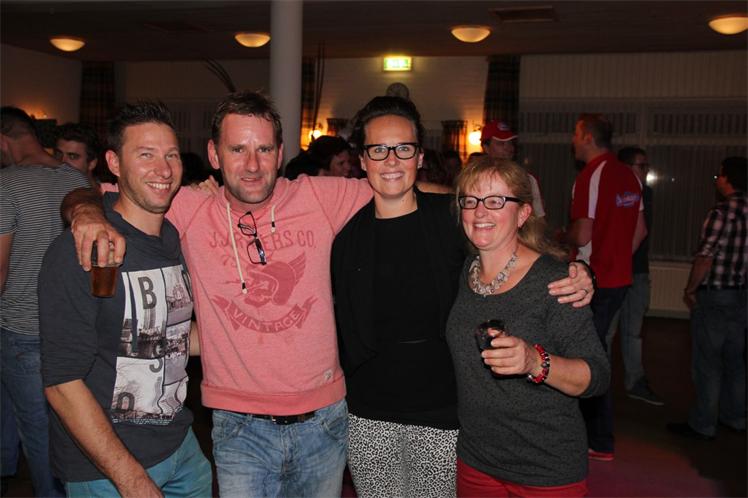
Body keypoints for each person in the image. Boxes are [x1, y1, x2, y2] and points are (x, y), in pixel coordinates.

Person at [63, 91, 374, 498]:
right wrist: (85, 212)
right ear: (214, 154)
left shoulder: (316, 195)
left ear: (280, 153)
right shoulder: (188, 205)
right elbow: (93, 191)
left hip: (324, 420)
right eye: (237, 149)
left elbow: (401, 191)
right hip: (239, 425)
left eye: (264, 149)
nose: (252, 165)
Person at [332, 96, 595, 497]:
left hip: (443, 412)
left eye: (404, 148)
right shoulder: (343, 233)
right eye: (379, 149)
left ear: (420, 157)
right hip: (369, 413)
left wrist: (582, 273)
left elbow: (515, 247)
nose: (392, 160)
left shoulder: (454, 219)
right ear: (363, 160)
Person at [39, 101, 212, 497]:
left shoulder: (173, 238)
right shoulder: (83, 249)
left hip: (180, 447)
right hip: (108, 469)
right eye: (146, 154)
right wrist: (132, 480)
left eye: (171, 155)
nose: (163, 169)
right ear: (114, 163)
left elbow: (167, 334)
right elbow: (62, 384)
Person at [447, 157, 610, 497]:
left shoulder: (556, 282)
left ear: (522, 214)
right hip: (476, 460)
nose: (480, 211)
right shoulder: (465, 271)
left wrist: (535, 361)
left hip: (545, 467)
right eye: (471, 201)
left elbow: (597, 375)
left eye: (495, 201)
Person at [0, 106, 90, 498]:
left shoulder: (6, 185)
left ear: (3, 141)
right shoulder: (76, 180)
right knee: (55, 425)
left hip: (21, 329)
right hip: (68, 328)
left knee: (37, 431)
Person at [563, 113, 647, 462]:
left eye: (575, 133)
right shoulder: (629, 175)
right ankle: (596, 437)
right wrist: (618, 259)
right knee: (597, 353)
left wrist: (561, 236)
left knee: (586, 360)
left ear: (587, 136)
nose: (572, 140)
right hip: (619, 280)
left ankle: (597, 439)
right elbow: (640, 231)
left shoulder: (591, 175)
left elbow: (582, 234)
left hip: (593, 281)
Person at [668, 156, 747, 440]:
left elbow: (705, 257)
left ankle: (704, 423)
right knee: (736, 360)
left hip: (716, 296)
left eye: (719, 176)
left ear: (728, 179)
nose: (717, 181)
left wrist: (691, 289)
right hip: (742, 295)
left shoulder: (721, 213)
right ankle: (736, 417)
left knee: (708, 362)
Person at [609, 147, 663, 405]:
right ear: (626, 168)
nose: (646, 171)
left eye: (646, 166)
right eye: (641, 166)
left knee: (633, 332)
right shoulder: (613, 191)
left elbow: (639, 231)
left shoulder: (645, 193)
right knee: (606, 331)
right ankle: (598, 384)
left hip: (637, 271)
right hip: (613, 273)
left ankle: (635, 382)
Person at [481, 120, 545, 218]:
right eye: (501, 143)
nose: (508, 148)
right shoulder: (475, 179)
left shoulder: (527, 179)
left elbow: (538, 217)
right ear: (486, 148)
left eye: (510, 143)